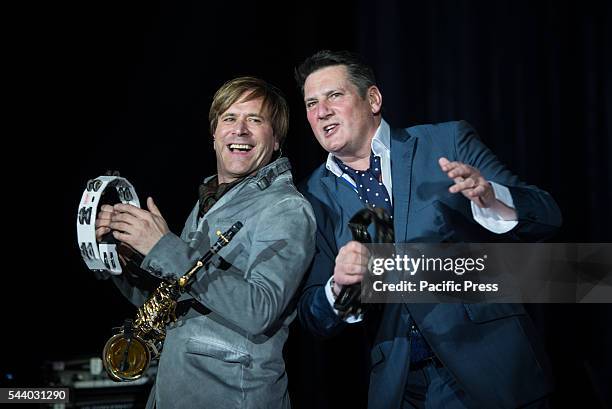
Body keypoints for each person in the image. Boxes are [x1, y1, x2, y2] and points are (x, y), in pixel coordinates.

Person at [295, 50, 562, 409]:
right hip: (402, 385)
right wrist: (339, 288)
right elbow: (313, 316)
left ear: (372, 99)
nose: (321, 111)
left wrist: (491, 199)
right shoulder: (312, 196)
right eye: (311, 103)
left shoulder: (447, 142)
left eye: (334, 96)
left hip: (491, 365)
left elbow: (546, 215)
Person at [94, 76, 316, 409]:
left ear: (275, 141)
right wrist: (122, 261)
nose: (239, 130)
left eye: (255, 120)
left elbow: (260, 309)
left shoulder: (286, 208)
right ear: (214, 135)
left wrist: (163, 246)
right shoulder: (210, 201)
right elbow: (176, 302)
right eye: (229, 118)